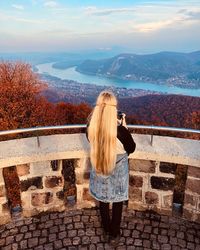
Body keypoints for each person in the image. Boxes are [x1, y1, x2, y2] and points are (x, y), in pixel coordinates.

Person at [87, 91, 136, 246]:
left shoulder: (91, 128)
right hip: (118, 169)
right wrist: (123, 126)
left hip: (100, 165)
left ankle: (106, 228)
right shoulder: (120, 131)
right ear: (113, 110)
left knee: (103, 199)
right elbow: (131, 148)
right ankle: (114, 234)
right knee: (117, 201)